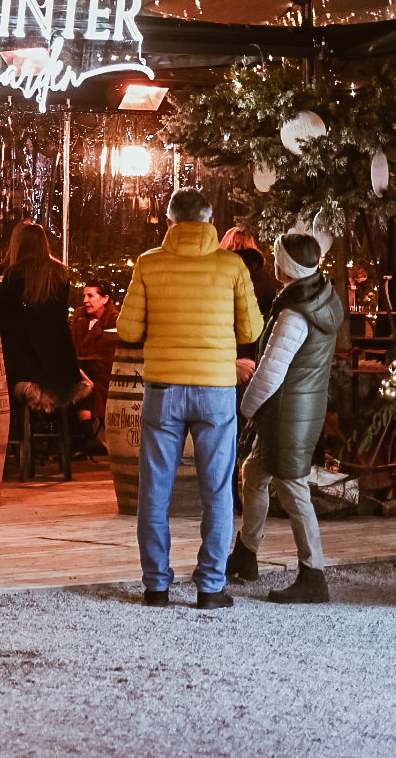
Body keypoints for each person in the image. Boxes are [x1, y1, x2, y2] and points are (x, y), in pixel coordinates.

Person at [118, 188, 263, 609]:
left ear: (169, 220)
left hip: (163, 389)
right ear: (209, 219)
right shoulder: (232, 265)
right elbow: (251, 329)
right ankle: (211, 587)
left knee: (154, 490)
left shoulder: (148, 263)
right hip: (216, 390)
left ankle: (156, 586)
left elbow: (128, 330)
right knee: (217, 490)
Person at [226, 234, 344, 604]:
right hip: (300, 409)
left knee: (293, 489)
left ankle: (313, 574)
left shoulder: (295, 312)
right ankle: (246, 554)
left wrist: (246, 409)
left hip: (285, 411)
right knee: (254, 473)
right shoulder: (320, 294)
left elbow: (271, 372)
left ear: (286, 266)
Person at [0, 222, 87, 419]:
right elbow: (60, 312)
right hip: (59, 361)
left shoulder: (13, 273)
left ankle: (18, 430)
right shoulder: (60, 272)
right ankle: (70, 436)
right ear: (45, 243)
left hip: (25, 360)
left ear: (21, 244)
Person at [71, 280, 120, 423]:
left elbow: (109, 359)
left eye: (90, 296)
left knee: (85, 391)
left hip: (103, 377)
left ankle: (87, 435)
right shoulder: (79, 318)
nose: (85, 300)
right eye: (84, 296)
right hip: (79, 373)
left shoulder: (115, 322)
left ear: (105, 299)